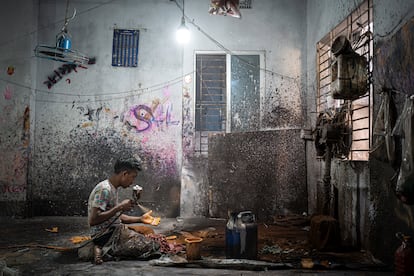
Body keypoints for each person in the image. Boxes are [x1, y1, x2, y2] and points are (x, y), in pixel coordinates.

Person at [87, 156, 159, 264]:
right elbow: (93, 220)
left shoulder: (112, 188)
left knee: (148, 238)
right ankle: (105, 249)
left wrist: (140, 219)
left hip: (113, 231)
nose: (133, 181)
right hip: (105, 236)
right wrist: (120, 207)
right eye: (133, 177)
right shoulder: (104, 190)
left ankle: (103, 248)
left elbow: (115, 217)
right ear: (124, 174)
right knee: (153, 247)